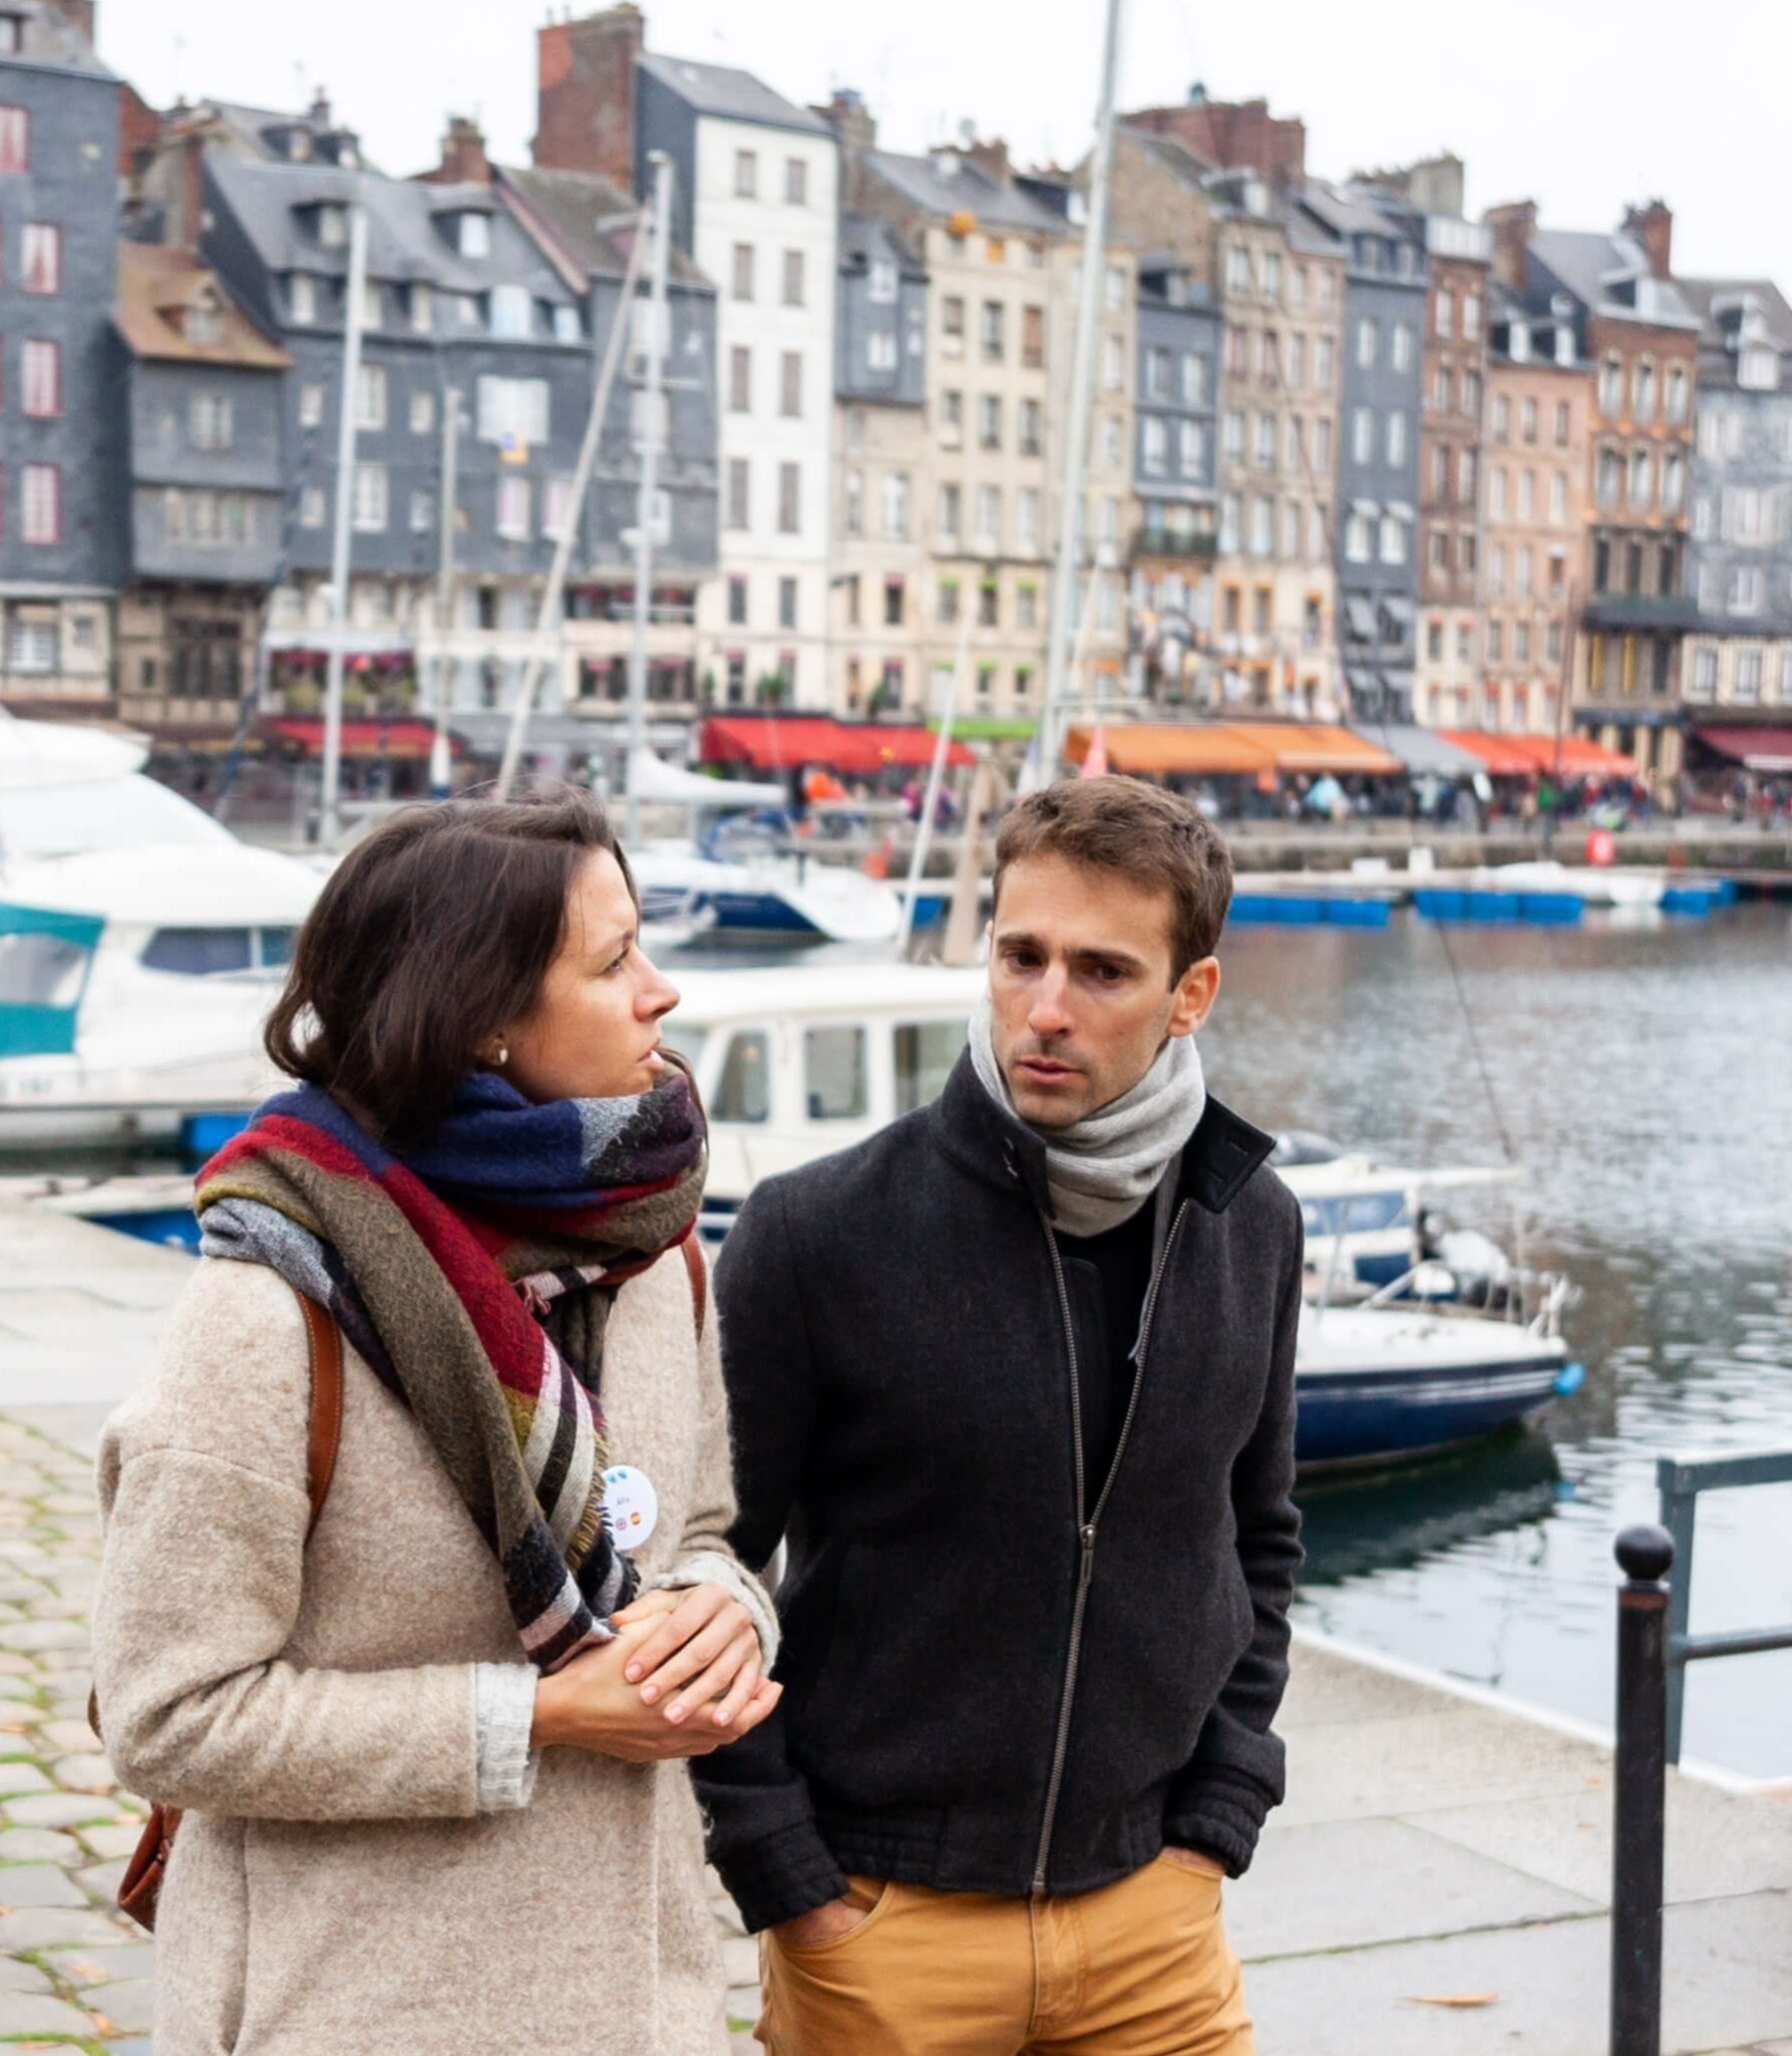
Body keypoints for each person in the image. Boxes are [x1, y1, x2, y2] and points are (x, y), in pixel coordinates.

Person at [94, 795, 782, 2055]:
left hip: (642, 2001)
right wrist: (542, 1717)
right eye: (613, 958)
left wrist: (725, 1618)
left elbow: (707, 1533)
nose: (661, 991)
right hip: (353, 2006)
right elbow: (167, 1715)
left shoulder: (661, 1253)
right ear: (483, 1022)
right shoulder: (267, 1314)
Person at [701, 776, 1301, 2056]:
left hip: (1156, 1918)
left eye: (1101, 971)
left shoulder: (1252, 1224)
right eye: (1020, 955)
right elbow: (706, 1564)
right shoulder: (814, 1234)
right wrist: (789, 1878)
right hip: (882, 1921)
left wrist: (1220, 1816)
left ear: (1189, 995)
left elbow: (1261, 1534)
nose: (1046, 1008)